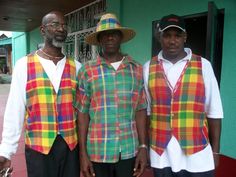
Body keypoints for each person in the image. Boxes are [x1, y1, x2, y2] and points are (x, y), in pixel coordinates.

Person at [0, 11, 81, 177]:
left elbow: (82, 112)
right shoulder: (24, 65)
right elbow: (15, 110)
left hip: (70, 147)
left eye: (64, 25)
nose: (61, 29)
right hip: (38, 148)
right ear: (43, 30)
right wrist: (6, 151)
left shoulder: (77, 67)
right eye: (55, 24)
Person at [143, 14, 223, 177]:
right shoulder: (148, 68)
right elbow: (148, 112)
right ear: (160, 37)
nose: (172, 41)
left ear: (185, 37)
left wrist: (215, 152)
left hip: (197, 155)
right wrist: (146, 147)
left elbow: (214, 111)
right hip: (162, 155)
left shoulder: (203, 65)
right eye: (167, 35)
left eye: (177, 35)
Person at [75, 13, 148, 177]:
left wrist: (143, 147)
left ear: (120, 37)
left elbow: (141, 110)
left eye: (114, 33)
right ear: (99, 40)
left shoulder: (136, 69)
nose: (109, 37)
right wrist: (83, 153)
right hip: (97, 150)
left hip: (129, 149)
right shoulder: (87, 71)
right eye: (104, 34)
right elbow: (82, 114)